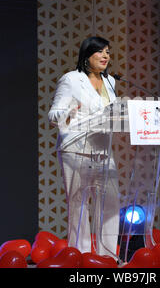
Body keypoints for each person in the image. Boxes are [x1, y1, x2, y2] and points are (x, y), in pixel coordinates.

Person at [48, 36, 120, 257]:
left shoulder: (111, 82)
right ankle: (81, 256)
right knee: (79, 205)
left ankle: (107, 256)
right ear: (87, 56)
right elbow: (53, 114)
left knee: (111, 204)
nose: (106, 56)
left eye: (108, 51)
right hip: (76, 149)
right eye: (100, 51)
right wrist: (68, 114)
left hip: (103, 150)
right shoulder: (71, 80)